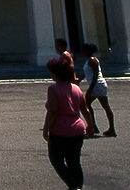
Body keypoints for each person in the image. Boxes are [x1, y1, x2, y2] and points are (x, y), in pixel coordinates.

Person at [43, 58, 93, 190]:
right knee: (74, 161)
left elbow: (53, 111)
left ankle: (73, 186)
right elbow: (85, 110)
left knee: (56, 160)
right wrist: (90, 125)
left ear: (55, 74)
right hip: (77, 129)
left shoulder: (53, 89)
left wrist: (46, 129)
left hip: (60, 130)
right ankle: (78, 186)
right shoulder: (76, 88)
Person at [81, 43, 116, 137]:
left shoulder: (92, 60)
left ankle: (93, 127)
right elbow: (87, 73)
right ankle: (109, 128)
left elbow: (95, 74)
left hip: (97, 85)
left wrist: (90, 88)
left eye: (84, 50)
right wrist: (79, 80)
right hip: (99, 85)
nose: (82, 51)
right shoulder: (89, 60)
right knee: (105, 106)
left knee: (86, 104)